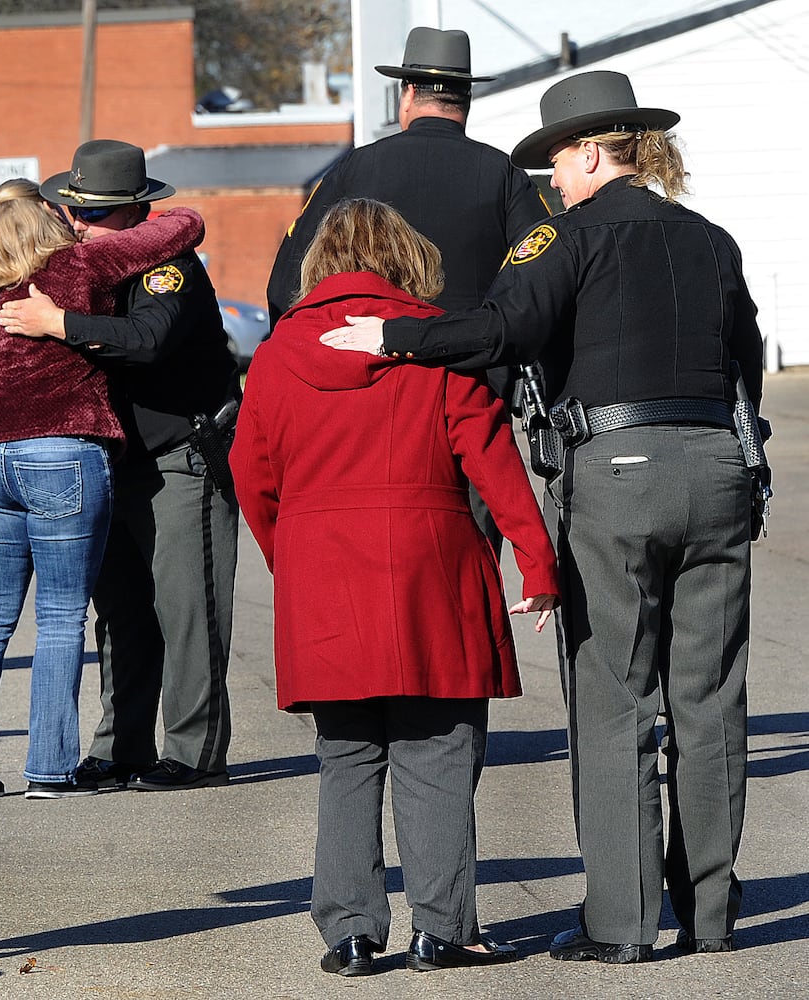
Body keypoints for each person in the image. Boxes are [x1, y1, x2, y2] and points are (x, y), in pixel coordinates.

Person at [320, 72, 764, 962]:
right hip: (719, 468)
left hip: (617, 471)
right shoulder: (712, 239)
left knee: (613, 702)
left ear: (592, 152)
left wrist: (392, 337)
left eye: (557, 161)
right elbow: (744, 353)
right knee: (710, 700)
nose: (550, 181)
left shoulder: (564, 237)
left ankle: (624, 924)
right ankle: (710, 915)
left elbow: (500, 331)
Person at [230, 198, 559, 976]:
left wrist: (292, 557)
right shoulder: (430, 346)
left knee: (346, 756)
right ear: (407, 260)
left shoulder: (277, 354)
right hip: (429, 562)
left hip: (322, 564)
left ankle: (348, 931)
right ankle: (443, 929)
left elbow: (250, 472)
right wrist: (536, 563)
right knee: (438, 749)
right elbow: (491, 457)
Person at [0, 140, 240, 792]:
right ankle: (121, 748)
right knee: (119, 613)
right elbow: (10, 270)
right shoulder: (80, 262)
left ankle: (193, 754)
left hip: (176, 459)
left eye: (94, 213)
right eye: (72, 208)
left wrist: (61, 322)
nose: (76, 222)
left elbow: (145, 341)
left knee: (187, 609)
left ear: (135, 212)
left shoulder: (166, 266)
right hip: (104, 464)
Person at [267, 26, 550, 554]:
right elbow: (542, 287)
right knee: (470, 573)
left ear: (407, 95)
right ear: (466, 101)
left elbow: (287, 286)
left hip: (368, 401)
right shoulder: (504, 175)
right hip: (472, 397)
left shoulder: (355, 168)